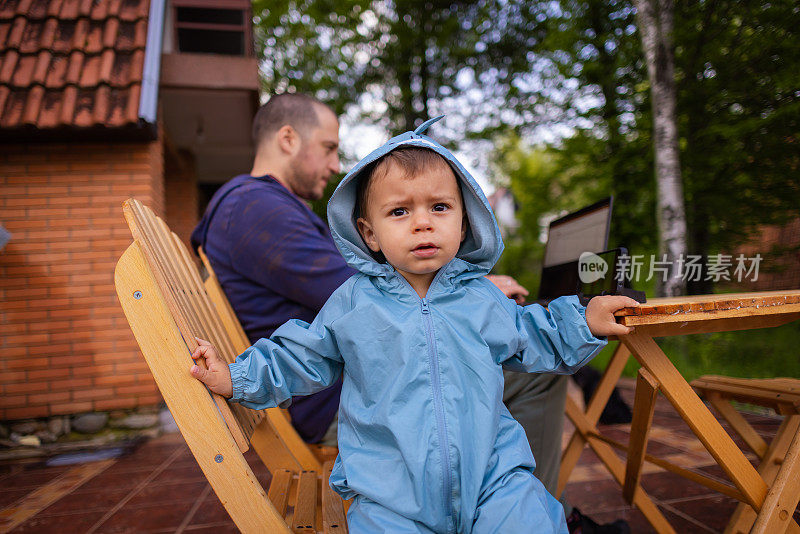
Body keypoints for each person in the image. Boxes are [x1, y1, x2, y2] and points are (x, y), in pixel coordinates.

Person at [190, 116, 639, 533]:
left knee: (531, 520)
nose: (423, 222)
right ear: (369, 234)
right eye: (400, 212)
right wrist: (236, 376)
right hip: (390, 493)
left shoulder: (479, 296)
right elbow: (301, 355)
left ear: (464, 224)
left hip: (492, 478)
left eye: (440, 207)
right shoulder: (352, 302)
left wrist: (586, 320)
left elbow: (532, 333)